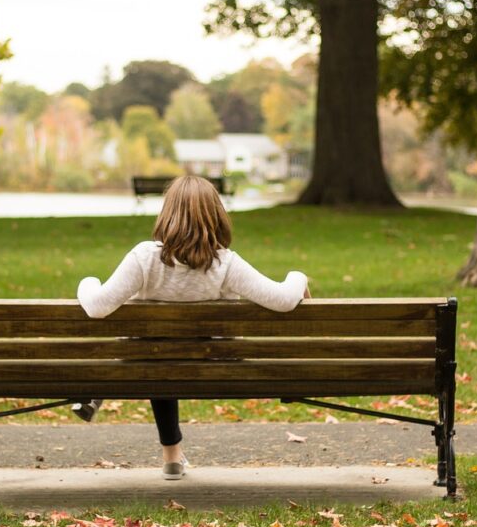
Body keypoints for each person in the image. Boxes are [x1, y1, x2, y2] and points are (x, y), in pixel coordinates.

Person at [75, 175, 310, 480]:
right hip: (211, 364)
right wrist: (299, 277)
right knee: (163, 351)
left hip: (149, 363)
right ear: (216, 215)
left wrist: (88, 282)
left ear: (167, 213)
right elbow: (283, 299)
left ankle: (109, 401)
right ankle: (172, 457)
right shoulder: (225, 263)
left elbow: (96, 306)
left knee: (155, 351)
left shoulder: (144, 258)